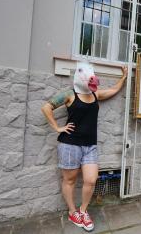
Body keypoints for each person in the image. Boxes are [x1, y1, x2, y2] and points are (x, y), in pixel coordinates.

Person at [41, 61, 127, 231]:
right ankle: (73, 212)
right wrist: (58, 128)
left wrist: (123, 77)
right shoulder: (70, 94)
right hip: (69, 145)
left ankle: (83, 210)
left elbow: (113, 90)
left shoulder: (95, 95)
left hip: (90, 146)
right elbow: (46, 107)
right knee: (70, 179)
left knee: (90, 179)